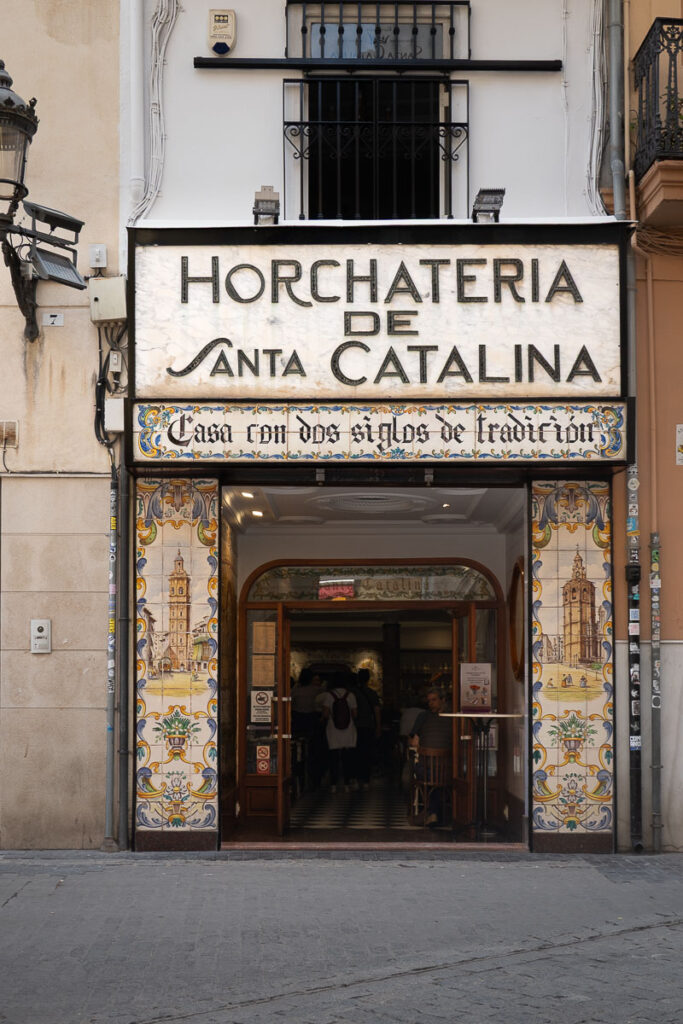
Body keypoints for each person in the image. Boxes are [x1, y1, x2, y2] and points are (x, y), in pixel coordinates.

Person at [408, 688, 452, 826]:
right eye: (429, 701)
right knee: (437, 776)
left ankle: (431, 813)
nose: (430, 703)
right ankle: (435, 813)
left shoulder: (425, 717)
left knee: (431, 776)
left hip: (430, 768)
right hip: (445, 769)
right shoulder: (451, 717)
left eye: (434, 700)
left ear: (443, 700)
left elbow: (413, 742)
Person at [319, 673, 358, 792]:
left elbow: (325, 714)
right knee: (347, 758)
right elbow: (355, 714)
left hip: (333, 730)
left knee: (333, 758)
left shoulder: (329, 695)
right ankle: (347, 784)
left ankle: (333, 785)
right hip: (348, 730)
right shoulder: (350, 695)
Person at [353, 668, 382, 788]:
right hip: (368, 725)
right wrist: (378, 726)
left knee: (355, 752)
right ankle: (365, 779)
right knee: (366, 752)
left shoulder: (352, 693)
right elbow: (376, 711)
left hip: (354, 726)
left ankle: (355, 777)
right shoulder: (372, 693)